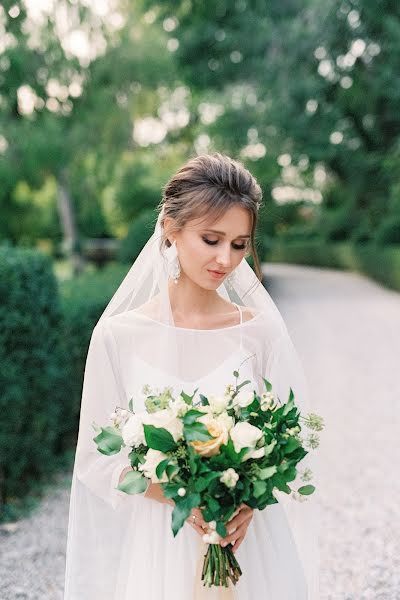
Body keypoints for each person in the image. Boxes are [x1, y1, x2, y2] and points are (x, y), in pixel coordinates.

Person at [63, 153, 320, 599]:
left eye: (240, 244)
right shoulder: (118, 336)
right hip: (162, 541)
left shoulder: (259, 332)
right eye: (211, 238)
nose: (226, 259)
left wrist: (247, 504)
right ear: (170, 227)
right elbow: (95, 459)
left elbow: (288, 441)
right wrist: (181, 495)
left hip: (247, 541)